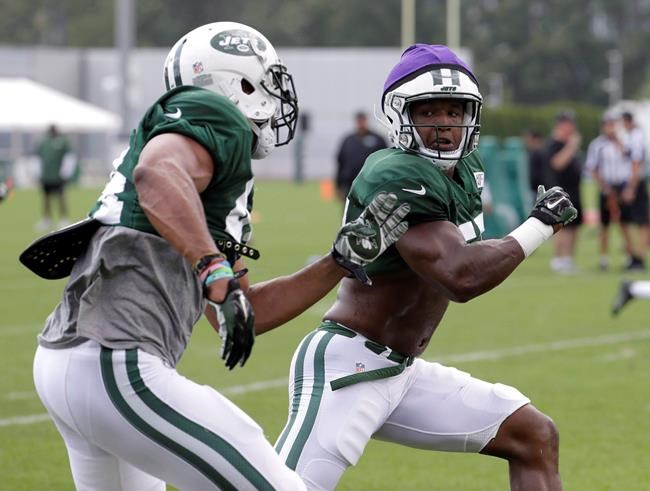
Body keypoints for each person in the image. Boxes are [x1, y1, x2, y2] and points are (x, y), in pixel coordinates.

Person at [28, 21, 409, 491]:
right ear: (237, 83)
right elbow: (156, 173)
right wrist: (212, 269)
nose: (277, 96)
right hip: (115, 361)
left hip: (70, 362)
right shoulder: (214, 115)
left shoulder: (213, 162)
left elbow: (246, 308)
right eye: (267, 80)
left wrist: (337, 262)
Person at [274, 44, 576, 491]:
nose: (444, 124)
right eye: (428, 112)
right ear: (400, 115)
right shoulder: (396, 173)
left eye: (454, 112)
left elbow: (467, 254)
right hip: (349, 367)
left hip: (402, 369)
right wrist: (539, 226)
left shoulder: (465, 170)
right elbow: (461, 276)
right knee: (281, 487)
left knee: (533, 434)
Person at [585, 113, 645, 271]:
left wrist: (629, 187)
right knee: (604, 224)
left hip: (622, 185)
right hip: (607, 186)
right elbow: (592, 167)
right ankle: (603, 257)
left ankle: (630, 255)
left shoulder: (625, 142)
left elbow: (633, 161)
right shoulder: (597, 145)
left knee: (625, 222)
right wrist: (604, 186)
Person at [542, 111, 584, 274]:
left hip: (575, 190)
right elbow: (557, 163)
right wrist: (571, 146)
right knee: (563, 226)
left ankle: (568, 259)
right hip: (560, 192)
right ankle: (558, 260)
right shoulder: (554, 144)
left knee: (574, 226)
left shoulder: (568, 144)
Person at [335, 111, 387, 202]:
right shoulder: (348, 140)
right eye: (358, 121)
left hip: (371, 184)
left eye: (362, 120)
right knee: (350, 208)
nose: (360, 123)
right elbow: (340, 162)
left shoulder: (378, 139)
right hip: (350, 184)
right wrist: (338, 185)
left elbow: (386, 161)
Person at [619, 111, 649, 269]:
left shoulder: (636, 136)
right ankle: (634, 254)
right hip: (631, 182)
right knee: (626, 220)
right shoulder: (630, 136)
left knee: (641, 221)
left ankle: (640, 256)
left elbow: (636, 163)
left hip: (635, 183)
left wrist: (631, 188)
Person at [35, 124, 74, 231]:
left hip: (58, 176)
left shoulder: (63, 142)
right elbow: (38, 158)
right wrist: (38, 173)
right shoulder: (43, 142)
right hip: (46, 175)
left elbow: (69, 158)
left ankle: (63, 219)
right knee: (46, 198)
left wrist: (65, 173)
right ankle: (46, 219)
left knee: (61, 197)